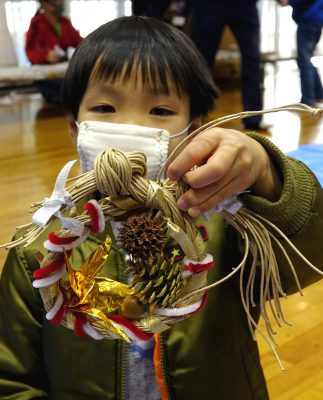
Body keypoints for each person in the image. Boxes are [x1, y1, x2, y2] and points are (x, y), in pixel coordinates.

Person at [0, 16, 322, 400]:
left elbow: (308, 256)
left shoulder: (227, 228)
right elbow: (11, 379)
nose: (132, 129)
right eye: (105, 107)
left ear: (193, 129)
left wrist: (267, 172)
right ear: (74, 127)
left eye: (160, 112)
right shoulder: (38, 251)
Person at [190, 0, 268, 130]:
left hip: (245, 5)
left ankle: (253, 118)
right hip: (210, 5)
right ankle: (193, 113)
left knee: (252, 59)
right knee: (202, 61)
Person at [25, 0, 83, 103]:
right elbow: (30, 51)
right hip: (46, 75)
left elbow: (79, 42)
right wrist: (46, 55)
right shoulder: (37, 24)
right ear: (44, 3)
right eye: (56, 2)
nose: (60, 3)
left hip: (62, 71)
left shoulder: (65, 22)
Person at [279, 0, 323, 106]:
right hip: (316, 20)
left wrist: (289, 1)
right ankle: (319, 95)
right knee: (307, 59)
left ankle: (308, 100)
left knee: (304, 60)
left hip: (308, 20)